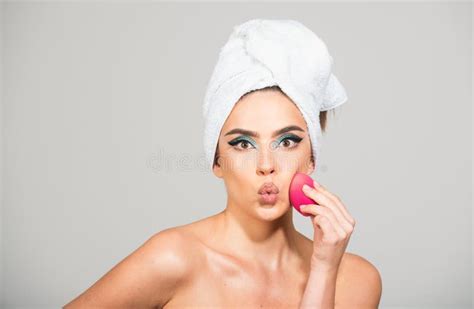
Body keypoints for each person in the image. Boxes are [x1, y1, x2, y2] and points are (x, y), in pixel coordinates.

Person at [64, 19, 382, 309]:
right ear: (217, 161)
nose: (266, 165)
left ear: (311, 157)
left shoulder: (356, 280)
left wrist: (324, 270)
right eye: (243, 144)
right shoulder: (173, 258)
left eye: (287, 142)